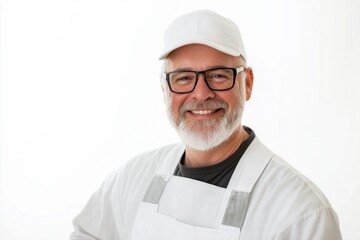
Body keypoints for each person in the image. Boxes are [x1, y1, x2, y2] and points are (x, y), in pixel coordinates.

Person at [70, 10, 342, 240]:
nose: (201, 94)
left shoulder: (301, 213)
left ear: (247, 84)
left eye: (219, 75)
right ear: (165, 89)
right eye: (184, 78)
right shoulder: (130, 181)